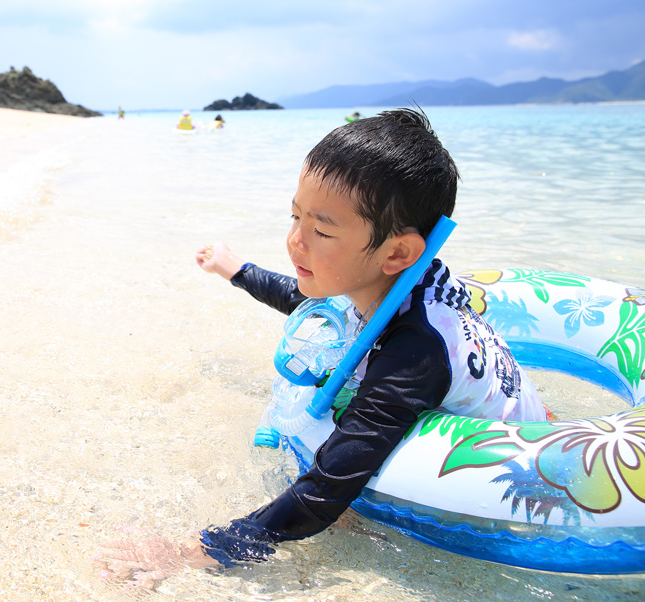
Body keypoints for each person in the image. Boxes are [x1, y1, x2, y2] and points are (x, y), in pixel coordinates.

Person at [95, 108, 547, 588]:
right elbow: (299, 295)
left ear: (398, 253)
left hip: (514, 474)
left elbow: (329, 488)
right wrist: (235, 269)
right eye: (295, 216)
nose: (295, 241)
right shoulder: (391, 283)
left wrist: (190, 552)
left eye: (322, 231)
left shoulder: (416, 351)